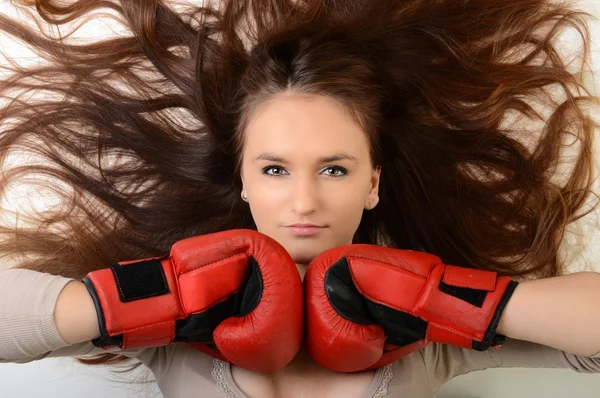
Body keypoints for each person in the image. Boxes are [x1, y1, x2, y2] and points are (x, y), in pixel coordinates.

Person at [1, 0, 600, 397]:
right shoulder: (173, 328)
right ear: (242, 179)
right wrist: (161, 296)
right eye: (275, 169)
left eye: (335, 169)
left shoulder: (427, 335)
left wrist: (446, 300)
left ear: (373, 184)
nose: (305, 201)